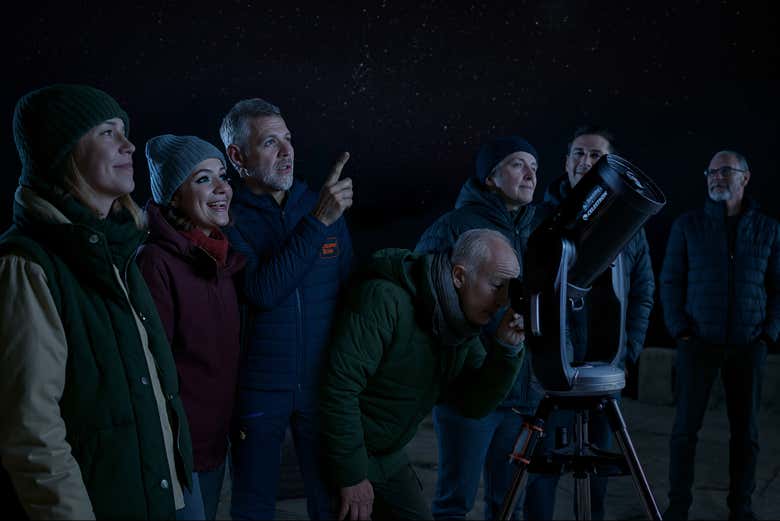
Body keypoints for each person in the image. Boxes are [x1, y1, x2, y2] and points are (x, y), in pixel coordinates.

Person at [0, 84, 193, 519]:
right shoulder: (28, 266)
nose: (129, 145)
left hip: (159, 496)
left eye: (124, 131)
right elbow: (32, 432)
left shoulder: (118, 250)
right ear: (63, 150)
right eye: (108, 132)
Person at [320, 228, 527, 521]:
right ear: (458, 276)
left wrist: (506, 348)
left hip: (388, 454)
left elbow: (474, 404)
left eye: (509, 287)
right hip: (344, 450)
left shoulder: (460, 325)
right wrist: (352, 476)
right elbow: (338, 389)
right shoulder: (384, 299)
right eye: (496, 285)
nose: (503, 300)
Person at [218, 97, 354, 520]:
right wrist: (317, 223)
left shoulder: (319, 204)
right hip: (259, 386)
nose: (286, 152)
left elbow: (347, 293)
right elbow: (261, 290)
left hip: (321, 385)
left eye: (288, 140)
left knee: (329, 501)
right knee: (254, 504)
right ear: (237, 157)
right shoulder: (229, 218)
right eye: (270, 142)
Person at [524, 124, 655, 521]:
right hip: (553, 368)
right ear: (565, 162)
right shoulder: (540, 217)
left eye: (596, 155)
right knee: (541, 474)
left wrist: (626, 351)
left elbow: (642, 291)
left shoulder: (629, 226)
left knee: (596, 479)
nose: (586, 161)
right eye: (579, 153)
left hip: (602, 367)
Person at [415, 136, 541, 520]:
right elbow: (423, 296)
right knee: (456, 502)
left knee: (509, 504)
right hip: (468, 392)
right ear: (490, 177)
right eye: (518, 163)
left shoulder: (538, 231)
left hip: (522, 394)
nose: (530, 173)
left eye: (534, 166)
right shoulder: (454, 227)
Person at [660, 149, 779, 521]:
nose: (716, 177)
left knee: (747, 435)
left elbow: (778, 287)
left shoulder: (769, 229)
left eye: (726, 171)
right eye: (711, 171)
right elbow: (670, 280)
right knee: (684, 433)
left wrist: (768, 335)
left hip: (748, 345)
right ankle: (678, 507)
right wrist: (680, 331)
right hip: (698, 343)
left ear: (745, 177)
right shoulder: (688, 225)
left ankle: (740, 508)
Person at [137, 134, 246, 520]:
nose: (222, 189)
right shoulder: (156, 263)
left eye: (222, 176)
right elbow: (150, 370)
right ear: (174, 195)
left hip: (215, 444)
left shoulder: (217, 256)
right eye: (203, 179)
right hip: (178, 453)